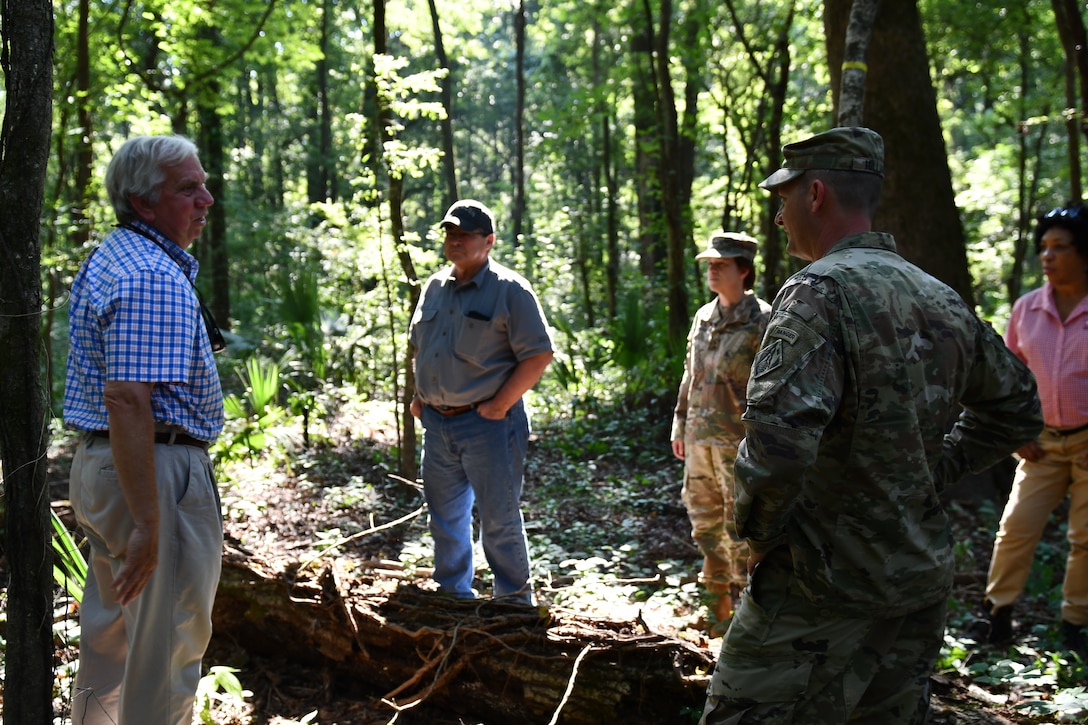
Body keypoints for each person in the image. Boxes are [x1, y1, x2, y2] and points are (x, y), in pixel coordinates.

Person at [700, 127, 1043, 724]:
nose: (779, 218)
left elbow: (778, 447)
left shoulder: (814, 293)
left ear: (815, 193)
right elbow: (1016, 407)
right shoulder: (936, 294)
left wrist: (759, 538)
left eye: (783, 201)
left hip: (819, 584)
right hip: (916, 579)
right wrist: (931, 473)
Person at [64, 135, 225, 725]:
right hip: (153, 473)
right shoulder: (153, 275)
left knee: (112, 645)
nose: (206, 199)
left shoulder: (115, 256)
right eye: (188, 188)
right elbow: (129, 399)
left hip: (110, 469)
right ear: (143, 203)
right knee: (166, 657)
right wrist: (151, 521)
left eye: (203, 184)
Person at [408, 199, 554, 606]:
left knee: (499, 518)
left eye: (464, 235)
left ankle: (513, 604)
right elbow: (421, 346)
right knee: (445, 516)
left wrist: (498, 406)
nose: (454, 241)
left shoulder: (510, 290)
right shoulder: (435, 287)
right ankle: (454, 596)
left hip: (489, 425)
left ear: (488, 241)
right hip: (438, 426)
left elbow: (539, 354)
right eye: (450, 234)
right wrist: (421, 399)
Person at [972, 204, 1088, 657]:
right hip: (1041, 445)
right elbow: (1010, 377)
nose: (1048, 256)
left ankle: (1075, 625)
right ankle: (997, 615)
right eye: (1043, 247)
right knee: (1015, 528)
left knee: (1084, 538)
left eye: (1059, 247)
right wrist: (1014, 433)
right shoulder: (1026, 309)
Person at [671, 231, 771, 633]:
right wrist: (680, 423)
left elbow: (772, 386)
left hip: (740, 443)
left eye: (721, 264)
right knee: (705, 525)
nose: (712, 269)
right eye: (709, 264)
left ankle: (750, 621)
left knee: (742, 529)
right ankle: (716, 614)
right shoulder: (703, 317)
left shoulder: (763, 320)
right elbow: (690, 376)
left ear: (743, 270)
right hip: (699, 439)